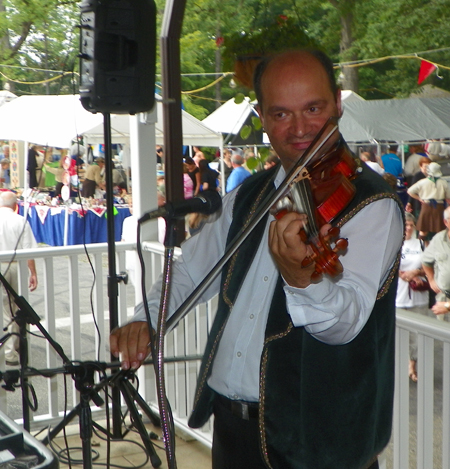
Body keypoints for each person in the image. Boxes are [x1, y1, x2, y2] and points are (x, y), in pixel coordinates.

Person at [110, 49, 404, 469]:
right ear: (263, 118)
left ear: (337, 103)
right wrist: (148, 316)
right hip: (232, 436)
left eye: (314, 108)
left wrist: (305, 280)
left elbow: (347, 322)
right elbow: (193, 268)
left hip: (317, 450)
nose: (300, 128)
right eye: (281, 114)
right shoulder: (248, 195)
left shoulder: (370, 204)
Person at [0, 191, 38, 366]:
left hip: (1, 264)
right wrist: (33, 272)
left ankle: (8, 350)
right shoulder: (20, 220)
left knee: (5, 308)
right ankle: (15, 346)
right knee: (18, 307)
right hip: (17, 265)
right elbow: (28, 250)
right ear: (15, 205)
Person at [395, 212, 431, 381]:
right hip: (398, 296)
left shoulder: (422, 244)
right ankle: (398, 367)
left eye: (411, 225)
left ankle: (412, 366)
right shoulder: (394, 243)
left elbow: (432, 268)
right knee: (398, 335)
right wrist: (400, 273)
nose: (408, 228)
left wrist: (416, 272)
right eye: (405, 225)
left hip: (417, 296)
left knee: (417, 336)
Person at [407, 161, 450, 240]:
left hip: (426, 206)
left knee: (423, 231)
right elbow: (448, 198)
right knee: (440, 231)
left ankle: (421, 248)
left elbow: (409, 191)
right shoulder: (443, 183)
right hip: (439, 207)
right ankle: (439, 249)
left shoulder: (422, 182)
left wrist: (419, 198)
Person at [422, 206, 450, 321]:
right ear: (446, 222)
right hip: (443, 297)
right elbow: (425, 261)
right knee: (441, 336)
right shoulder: (439, 239)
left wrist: (448, 307)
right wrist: (431, 280)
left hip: (446, 305)